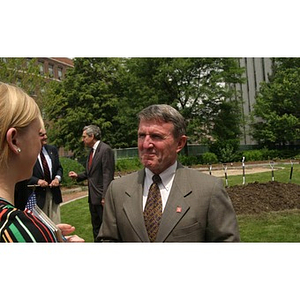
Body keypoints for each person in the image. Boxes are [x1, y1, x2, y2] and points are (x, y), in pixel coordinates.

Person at [97, 104, 240, 242]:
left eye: (156, 136)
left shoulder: (209, 190)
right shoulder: (117, 190)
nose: (145, 145)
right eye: (141, 135)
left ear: (180, 143)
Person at [0, 82, 84, 242]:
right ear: (15, 140)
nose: (41, 141)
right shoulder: (15, 229)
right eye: (38, 133)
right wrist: (39, 236)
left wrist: (44, 234)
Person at [69, 125, 115, 241]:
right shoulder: (91, 151)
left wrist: (105, 196)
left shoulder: (105, 150)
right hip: (93, 197)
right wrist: (78, 176)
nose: (82, 139)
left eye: (84, 137)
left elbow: (107, 175)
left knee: (106, 228)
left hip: (101, 198)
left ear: (92, 136)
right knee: (96, 227)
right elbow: (91, 172)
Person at [27, 128, 63, 224]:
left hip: (54, 194)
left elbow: (59, 168)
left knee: (56, 226)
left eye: (46, 134)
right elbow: (23, 174)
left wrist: (57, 178)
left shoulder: (52, 150)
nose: (45, 137)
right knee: (41, 226)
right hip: (37, 197)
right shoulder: (28, 153)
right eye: (42, 135)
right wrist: (37, 181)